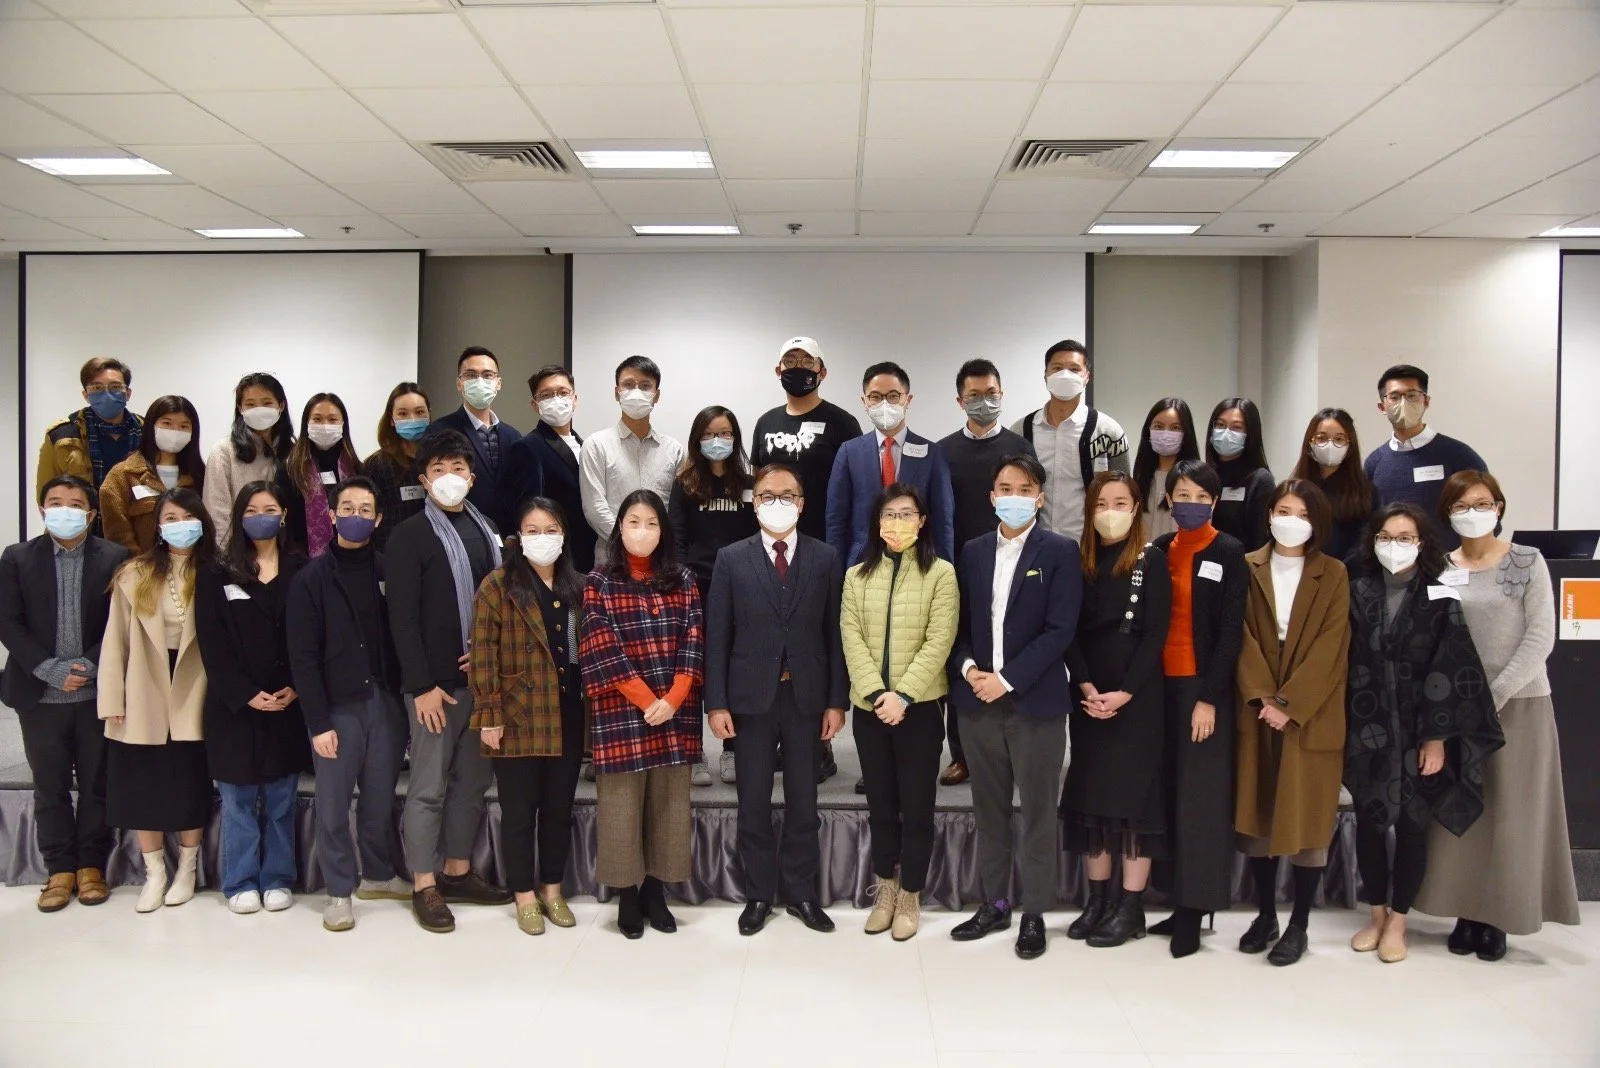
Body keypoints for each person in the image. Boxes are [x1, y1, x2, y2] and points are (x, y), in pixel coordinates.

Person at [1413, 472, 1580, 959]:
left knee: (1513, 815)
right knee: (1464, 813)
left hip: (1521, 706)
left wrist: (1496, 693)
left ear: (1499, 507)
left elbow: (1541, 635)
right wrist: (1453, 704)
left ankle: (1501, 918)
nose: (1473, 511)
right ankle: (1466, 912)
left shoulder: (1528, 562)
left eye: (1482, 503)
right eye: (1462, 505)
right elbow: (1435, 641)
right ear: (1448, 513)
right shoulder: (1440, 568)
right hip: (1457, 712)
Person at [1343, 502, 1502, 963]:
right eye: (1386, 536)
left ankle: (1398, 921)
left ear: (1422, 543)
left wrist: (1436, 738)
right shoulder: (1357, 592)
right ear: (1374, 541)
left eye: (1406, 537)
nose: (1396, 546)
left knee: (1413, 826)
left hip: (1419, 731)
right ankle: (1374, 915)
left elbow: (1450, 668)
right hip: (1365, 726)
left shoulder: (1440, 594)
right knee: (1371, 824)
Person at [948, 455, 1082, 958]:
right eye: (1005, 487)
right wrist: (970, 672)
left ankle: (1034, 912)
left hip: (1036, 705)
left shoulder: (1061, 551)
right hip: (977, 702)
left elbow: (1060, 630)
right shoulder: (974, 551)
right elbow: (957, 625)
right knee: (989, 808)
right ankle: (995, 902)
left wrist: (1006, 680)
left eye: (1025, 488)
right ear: (991, 496)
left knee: (1039, 811)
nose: (1014, 495)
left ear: (1040, 497)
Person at [706, 463, 847, 936]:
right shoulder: (731, 558)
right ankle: (759, 893)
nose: (778, 502)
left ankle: (802, 893)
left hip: (807, 697)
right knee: (753, 801)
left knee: (805, 800)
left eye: (788, 494)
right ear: (754, 501)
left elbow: (834, 635)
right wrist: (717, 702)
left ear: (803, 503)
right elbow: (718, 636)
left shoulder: (826, 558)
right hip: (749, 699)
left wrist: (836, 701)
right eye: (768, 495)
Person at [385, 429, 513, 933]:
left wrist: (490, 662)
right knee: (428, 788)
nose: (450, 478)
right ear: (424, 480)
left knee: (472, 785)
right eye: (438, 470)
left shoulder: (488, 531)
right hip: (435, 690)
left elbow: (502, 604)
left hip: (483, 685)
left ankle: (458, 872)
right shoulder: (409, 536)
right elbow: (402, 620)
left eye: (458, 469)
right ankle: (424, 883)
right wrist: (420, 686)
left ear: (472, 476)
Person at [1233, 480, 1351, 966]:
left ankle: (1299, 923)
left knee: (1307, 819)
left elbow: (1332, 647)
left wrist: (1289, 702)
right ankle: (1265, 914)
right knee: (1259, 814)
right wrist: (1264, 696)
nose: (1290, 519)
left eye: (1301, 512)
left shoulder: (1334, 573)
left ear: (1316, 522)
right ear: (1269, 515)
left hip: (1311, 710)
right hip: (1257, 707)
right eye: (1283, 510)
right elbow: (1237, 635)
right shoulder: (1247, 566)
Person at [580, 490, 705, 939]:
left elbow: (694, 638)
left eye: (651, 523)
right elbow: (599, 644)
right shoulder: (600, 581)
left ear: (663, 531)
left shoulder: (683, 579)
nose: (642, 532)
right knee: (622, 804)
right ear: (619, 529)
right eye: (633, 522)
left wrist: (672, 697)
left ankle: (655, 891)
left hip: (674, 708)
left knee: (670, 802)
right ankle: (627, 897)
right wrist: (642, 697)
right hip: (622, 708)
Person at [0, 476, 129, 912]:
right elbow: (8, 622)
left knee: (96, 783)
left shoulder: (115, 557)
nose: (65, 510)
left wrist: (91, 665)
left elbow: (120, 622)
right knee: (49, 785)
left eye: (76, 504)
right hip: (39, 695)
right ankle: (58, 868)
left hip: (96, 694)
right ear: (41, 510)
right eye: (56, 502)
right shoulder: (17, 558)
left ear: (92, 514)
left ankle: (91, 865)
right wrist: (50, 669)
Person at [287, 476, 408, 933]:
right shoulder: (311, 579)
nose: (356, 517)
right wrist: (318, 723)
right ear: (331, 515)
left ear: (378, 520)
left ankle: (377, 875)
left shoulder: (388, 571)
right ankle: (339, 890)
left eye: (366, 510)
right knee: (334, 803)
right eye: (348, 508)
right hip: (337, 707)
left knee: (379, 799)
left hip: (387, 704)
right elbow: (302, 658)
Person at [840, 483, 957, 941]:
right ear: (876, 521)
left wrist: (903, 695)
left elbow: (940, 639)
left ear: (923, 521)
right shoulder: (855, 576)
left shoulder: (941, 574)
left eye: (907, 514)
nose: (897, 523)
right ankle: (885, 890)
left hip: (920, 707)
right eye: (888, 515)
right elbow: (851, 638)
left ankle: (911, 894)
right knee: (881, 805)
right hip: (870, 709)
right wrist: (874, 693)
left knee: (918, 805)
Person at [1061, 471, 1171, 949]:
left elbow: (1155, 635)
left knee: (1133, 805)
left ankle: (1130, 908)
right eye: (1101, 502)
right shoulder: (1078, 563)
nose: (1110, 510)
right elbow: (1067, 631)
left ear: (1136, 506)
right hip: (1087, 699)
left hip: (1137, 701)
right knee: (1093, 802)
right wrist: (1085, 686)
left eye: (1120, 501)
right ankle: (1098, 900)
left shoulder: (1152, 560)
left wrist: (1125, 692)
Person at [468, 498, 588, 936]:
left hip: (569, 713)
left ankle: (552, 889)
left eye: (550, 529)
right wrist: (490, 716)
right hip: (517, 715)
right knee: (519, 812)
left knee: (558, 810)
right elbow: (482, 656)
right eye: (532, 531)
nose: (543, 539)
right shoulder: (497, 586)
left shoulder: (578, 585)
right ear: (518, 537)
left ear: (564, 534)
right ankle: (523, 895)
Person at [98, 488, 216, 914]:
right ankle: (154, 874)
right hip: (142, 687)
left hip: (195, 687)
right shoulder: (134, 573)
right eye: (170, 517)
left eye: (187, 515)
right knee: (142, 786)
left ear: (202, 521)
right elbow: (115, 644)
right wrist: (112, 698)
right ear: (158, 526)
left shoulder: (218, 572)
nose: (179, 523)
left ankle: (186, 868)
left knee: (188, 783)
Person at [196, 481, 311, 915]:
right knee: (239, 800)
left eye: (270, 508)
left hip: (287, 702)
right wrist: (245, 694)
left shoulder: (303, 569)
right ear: (239, 517)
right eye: (251, 509)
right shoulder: (216, 572)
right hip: (235, 706)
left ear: (283, 515)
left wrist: (297, 686)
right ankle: (240, 880)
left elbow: (310, 636)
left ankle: (277, 877)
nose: (260, 516)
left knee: (281, 799)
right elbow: (213, 642)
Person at [1148, 460, 1248, 958]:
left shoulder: (1228, 552)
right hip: (1158, 687)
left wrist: (1209, 697)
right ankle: (1177, 899)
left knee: (1200, 802)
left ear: (1213, 501)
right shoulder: (1160, 549)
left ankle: (1195, 910)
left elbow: (1231, 632)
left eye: (1200, 495)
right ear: (1168, 499)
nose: (1189, 502)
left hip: (1201, 690)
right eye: (1180, 493)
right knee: (1168, 794)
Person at [936, 359, 1035, 788]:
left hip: (1013, 567)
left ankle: (1008, 750)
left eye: (990, 392)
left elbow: (1031, 507)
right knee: (962, 659)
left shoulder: (1019, 447)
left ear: (1003, 393)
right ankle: (962, 754)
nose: (983, 401)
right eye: (974, 395)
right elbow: (939, 514)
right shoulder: (942, 451)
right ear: (960, 400)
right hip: (959, 570)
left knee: (1009, 657)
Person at [670, 405, 757, 788]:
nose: (717, 441)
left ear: (736, 437)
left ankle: (733, 751)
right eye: (709, 435)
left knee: (735, 669)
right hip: (696, 586)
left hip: (742, 587)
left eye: (724, 434)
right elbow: (676, 538)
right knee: (694, 671)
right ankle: (694, 753)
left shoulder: (750, 482)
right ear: (697, 440)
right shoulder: (685, 482)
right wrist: (683, 581)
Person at [828, 361, 956, 567]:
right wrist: (835, 575)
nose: (884, 404)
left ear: (908, 399)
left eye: (893, 396)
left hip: (919, 564)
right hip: (863, 564)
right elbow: (836, 521)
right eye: (876, 397)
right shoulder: (849, 452)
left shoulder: (933, 454)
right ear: (865, 401)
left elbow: (943, 523)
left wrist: (945, 571)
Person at [1011, 340, 1131, 541]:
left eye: (1075, 369)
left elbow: (1124, 494)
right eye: (1057, 368)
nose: (1065, 374)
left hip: (1089, 547)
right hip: (1033, 544)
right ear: (1045, 375)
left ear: (1087, 377)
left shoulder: (1109, 432)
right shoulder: (1020, 430)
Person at [749, 336, 864, 544]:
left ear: (822, 372)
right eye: (790, 361)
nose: (798, 367)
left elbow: (858, 486)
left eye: (808, 361)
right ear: (779, 371)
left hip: (824, 538)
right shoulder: (765, 422)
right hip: (772, 538)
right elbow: (757, 479)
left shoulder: (843, 422)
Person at [580, 356, 687, 569]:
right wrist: (628, 543)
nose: (636, 391)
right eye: (628, 385)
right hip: (611, 560)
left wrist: (654, 543)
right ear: (616, 392)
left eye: (645, 385)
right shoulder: (596, 445)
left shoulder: (674, 450)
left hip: (661, 560)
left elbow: (676, 510)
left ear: (656, 395)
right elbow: (595, 508)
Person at [1363, 365, 1488, 545]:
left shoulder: (1458, 455)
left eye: (1412, 395)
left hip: (1450, 567)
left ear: (1426, 401)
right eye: (1395, 397)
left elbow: (1486, 515)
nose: (1403, 402)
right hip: (1394, 568)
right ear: (1382, 406)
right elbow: (1368, 523)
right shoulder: (1374, 463)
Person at [500, 366, 595, 574]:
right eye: (546, 395)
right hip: (556, 559)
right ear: (535, 405)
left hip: (589, 555)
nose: (556, 399)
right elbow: (526, 509)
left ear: (575, 398)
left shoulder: (586, 445)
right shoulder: (527, 447)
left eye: (563, 392)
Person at [429, 346, 522, 530]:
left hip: (507, 539)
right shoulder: (439, 432)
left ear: (498, 383)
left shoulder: (514, 437)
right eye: (471, 375)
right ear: (459, 384)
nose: (480, 381)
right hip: (458, 532)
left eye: (488, 375)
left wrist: (513, 533)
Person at [99, 395, 205, 554]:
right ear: (151, 426)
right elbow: (118, 534)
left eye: (184, 426)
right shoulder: (123, 475)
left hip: (193, 568)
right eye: (167, 424)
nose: (175, 431)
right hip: (141, 571)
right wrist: (141, 568)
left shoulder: (200, 475)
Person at [205, 373, 294, 546]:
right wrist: (229, 560)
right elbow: (217, 513)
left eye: (267, 403)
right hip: (239, 554)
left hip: (286, 553)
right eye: (250, 404)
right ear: (240, 408)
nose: (259, 409)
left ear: (281, 405)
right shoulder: (224, 451)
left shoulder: (294, 452)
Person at [36, 357, 143, 498]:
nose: (107, 394)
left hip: (136, 519)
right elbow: (46, 494)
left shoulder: (147, 430)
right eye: (97, 388)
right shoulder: (61, 434)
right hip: (85, 519)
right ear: (86, 395)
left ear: (128, 393)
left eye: (115, 387)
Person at [1289, 409, 1378, 563]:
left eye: (1339, 439)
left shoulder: (1365, 492)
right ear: (1310, 443)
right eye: (1321, 438)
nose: (1330, 445)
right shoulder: (1295, 490)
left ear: (1350, 446)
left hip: (1347, 578)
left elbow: (1366, 543)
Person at [278, 393, 360, 558]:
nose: (325, 425)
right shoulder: (289, 469)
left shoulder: (356, 468)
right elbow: (284, 522)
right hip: (302, 562)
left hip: (350, 559)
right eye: (317, 419)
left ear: (343, 424)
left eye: (332, 419)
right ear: (306, 424)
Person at [363, 382, 432, 551]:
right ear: (392, 419)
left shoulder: (438, 461)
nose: (412, 418)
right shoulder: (376, 465)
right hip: (392, 554)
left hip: (433, 552)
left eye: (419, 412)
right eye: (403, 413)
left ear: (429, 415)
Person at [1205, 398, 1274, 552]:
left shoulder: (1260, 480)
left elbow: (1261, 541)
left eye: (1236, 427)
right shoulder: (1204, 475)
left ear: (1250, 434)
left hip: (1243, 568)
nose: (1226, 432)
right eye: (1220, 425)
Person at [1130, 397, 1200, 542]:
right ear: (1148, 431)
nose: (1166, 434)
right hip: (1143, 561)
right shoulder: (1139, 480)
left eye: (1175, 428)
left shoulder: (1196, 481)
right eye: (1158, 426)